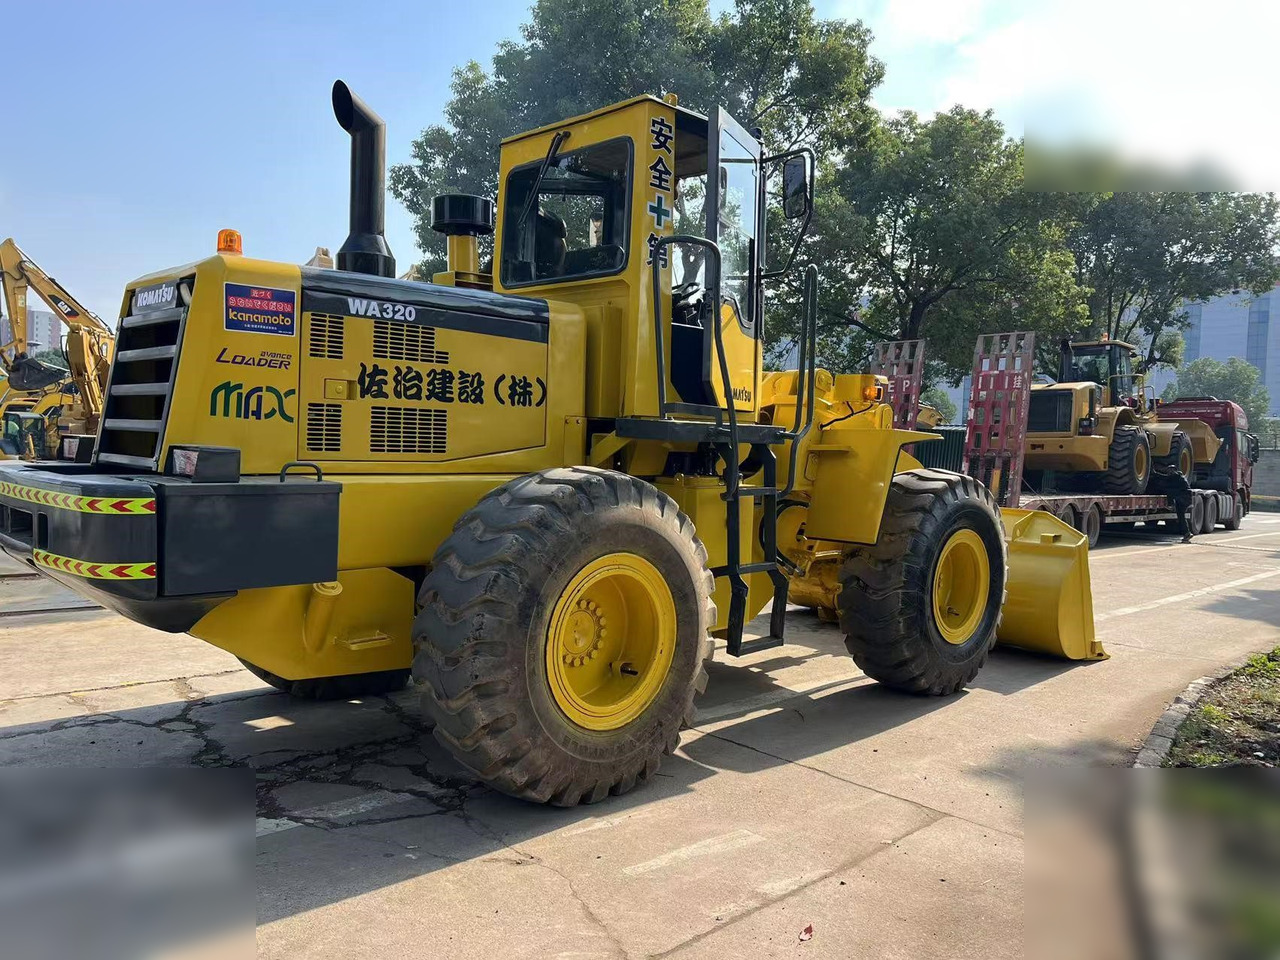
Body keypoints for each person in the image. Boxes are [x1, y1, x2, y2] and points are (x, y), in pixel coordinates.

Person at [1152, 462, 1193, 542]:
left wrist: (1155, 474)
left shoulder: (1176, 477)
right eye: (1168, 471)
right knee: (1181, 517)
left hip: (1183, 499)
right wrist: (1156, 474)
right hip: (1184, 499)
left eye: (1170, 470)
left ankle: (1187, 533)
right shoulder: (1178, 476)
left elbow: (1165, 479)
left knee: (1168, 490)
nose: (1169, 472)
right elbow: (1165, 478)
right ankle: (1187, 533)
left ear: (1174, 470)